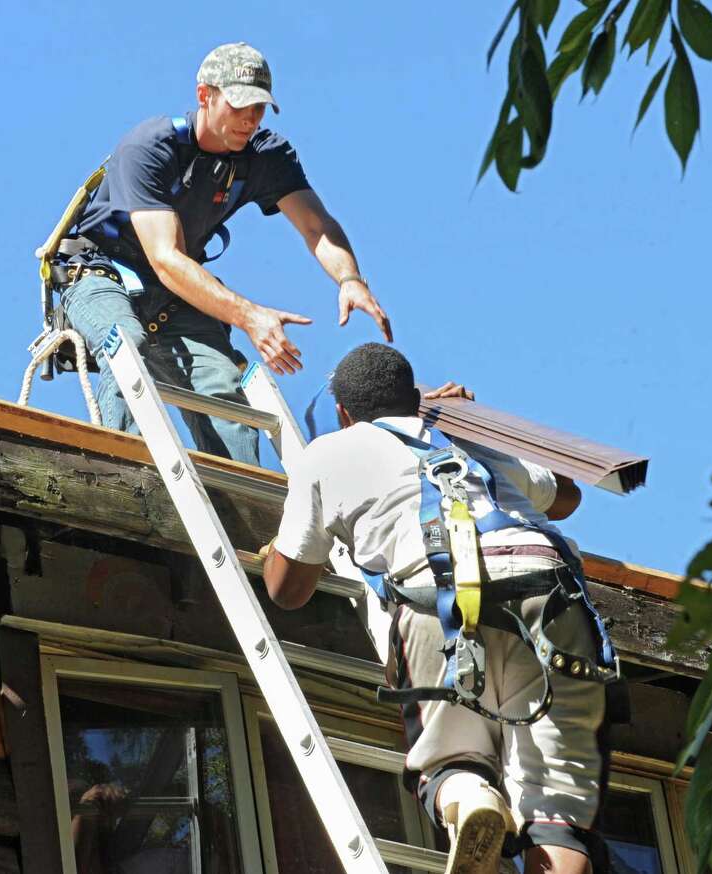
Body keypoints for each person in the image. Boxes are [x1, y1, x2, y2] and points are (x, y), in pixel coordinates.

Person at [261, 343, 613, 874]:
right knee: (553, 807)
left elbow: (287, 591)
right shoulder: (468, 437)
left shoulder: (328, 453)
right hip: (549, 596)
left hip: (438, 602)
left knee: (452, 758)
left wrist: (280, 548)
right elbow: (566, 498)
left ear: (344, 413)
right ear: (415, 397)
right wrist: (465, 423)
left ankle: (468, 792)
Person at [51, 42, 390, 465]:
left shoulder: (265, 155)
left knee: (222, 384)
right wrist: (249, 316)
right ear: (204, 96)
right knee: (127, 347)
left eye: (260, 108)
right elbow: (166, 258)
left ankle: (246, 512)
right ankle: (129, 479)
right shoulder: (150, 147)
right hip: (101, 273)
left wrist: (350, 279)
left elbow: (316, 225)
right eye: (240, 105)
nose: (250, 119)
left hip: (175, 296)